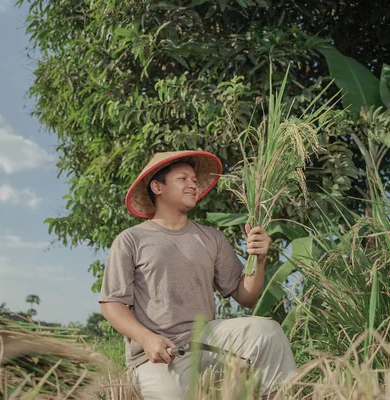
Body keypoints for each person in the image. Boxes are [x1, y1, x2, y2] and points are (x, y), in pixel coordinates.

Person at [99, 150, 296, 399]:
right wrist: (147, 339)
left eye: (194, 179)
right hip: (159, 353)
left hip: (207, 339)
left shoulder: (211, 238)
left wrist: (259, 257)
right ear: (157, 187)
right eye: (183, 179)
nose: (192, 184)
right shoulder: (131, 240)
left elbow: (246, 296)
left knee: (266, 332)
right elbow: (111, 305)